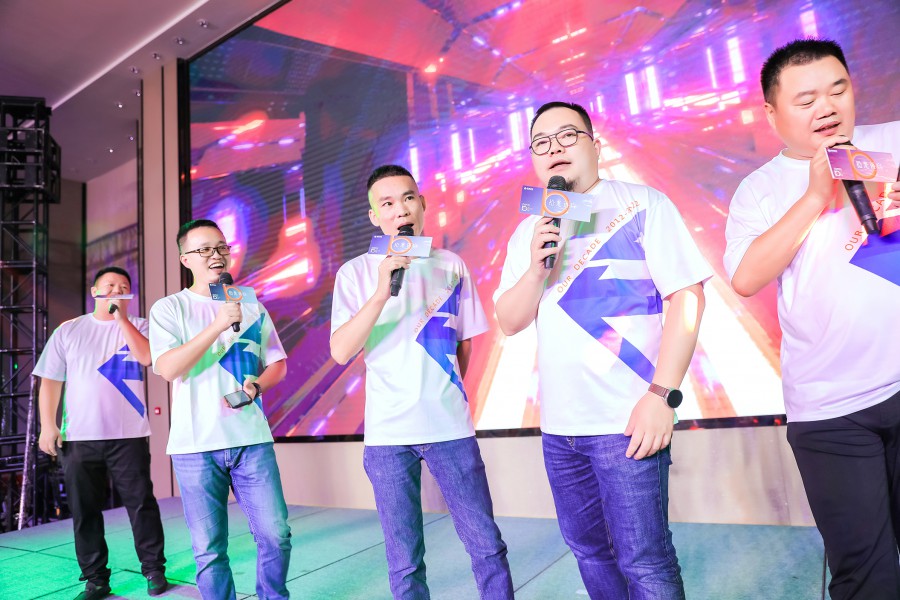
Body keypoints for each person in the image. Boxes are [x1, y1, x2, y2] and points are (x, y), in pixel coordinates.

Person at [494, 102, 711, 599]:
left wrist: (662, 395)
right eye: (541, 142)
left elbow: (687, 295)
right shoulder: (529, 230)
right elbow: (509, 320)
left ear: (595, 145)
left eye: (567, 135)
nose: (554, 149)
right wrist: (536, 269)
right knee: (590, 552)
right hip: (560, 432)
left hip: (627, 422)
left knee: (645, 561)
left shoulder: (642, 203)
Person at [724, 39, 900, 600]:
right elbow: (746, 277)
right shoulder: (758, 190)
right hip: (830, 411)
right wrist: (814, 196)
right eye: (806, 100)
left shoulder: (892, 141)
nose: (827, 107)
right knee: (866, 575)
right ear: (772, 113)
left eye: (837, 90)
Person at [330, 165, 514, 599]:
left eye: (408, 198)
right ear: (374, 216)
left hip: (450, 428)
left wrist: (443, 392)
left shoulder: (451, 265)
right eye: (387, 203)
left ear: (423, 204)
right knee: (405, 558)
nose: (400, 210)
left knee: (486, 544)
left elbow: (464, 345)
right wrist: (381, 291)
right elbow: (340, 351)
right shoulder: (355, 273)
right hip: (388, 436)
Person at [149, 219, 291, 600]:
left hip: (251, 439)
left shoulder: (250, 303)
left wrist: (258, 385)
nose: (216, 255)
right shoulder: (169, 308)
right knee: (210, 550)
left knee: (276, 535)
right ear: (185, 259)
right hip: (196, 445)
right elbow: (168, 368)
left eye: (221, 247)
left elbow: (277, 363)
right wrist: (217, 325)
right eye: (204, 249)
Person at [35, 266, 168, 600]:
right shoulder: (69, 330)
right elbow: (50, 381)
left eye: (123, 286)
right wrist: (48, 425)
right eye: (109, 285)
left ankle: (153, 568)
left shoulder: (141, 326)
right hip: (79, 437)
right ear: (94, 291)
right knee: (84, 510)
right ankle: (95, 579)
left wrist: (121, 318)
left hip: (129, 435)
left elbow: (148, 357)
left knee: (141, 504)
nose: (116, 291)